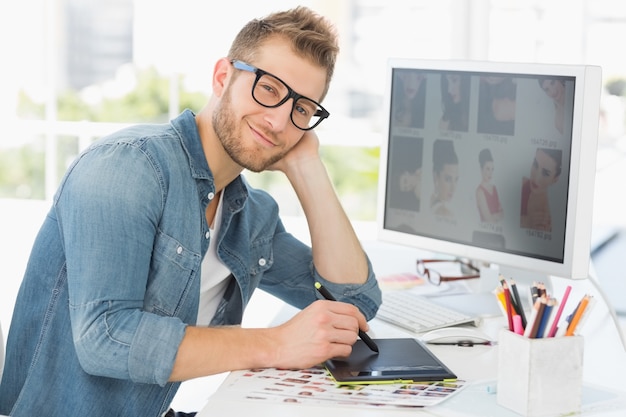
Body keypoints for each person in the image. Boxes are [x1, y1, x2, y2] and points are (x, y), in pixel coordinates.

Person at [0, 7, 381, 417]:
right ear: (223, 77)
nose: (278, 120)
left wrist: (308, 167)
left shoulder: (252, 217)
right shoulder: (127, 167)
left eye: (302, 109)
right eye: (269, 89)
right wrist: (276, 343)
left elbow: (353, 301)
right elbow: (106, 339)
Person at [520, 148, 562, 232]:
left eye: (546, 173)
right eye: (535, 165)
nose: (537, 178)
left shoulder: (548, 219)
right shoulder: (521, 184)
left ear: (555, 179)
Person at [430, 139, 459, 219]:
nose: (453, 188)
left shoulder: (431, 200)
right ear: (436, 176)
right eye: (448, 179)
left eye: (456, 179)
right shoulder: (446, 214)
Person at [475, 148, 503, 223]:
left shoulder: (494, 188)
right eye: (487, 169)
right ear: (481, 169)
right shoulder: (479, 192)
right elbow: (488, 219)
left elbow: (502, 214)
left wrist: (493, 216)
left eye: (492, 169)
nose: (490, 173)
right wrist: (496, 216)